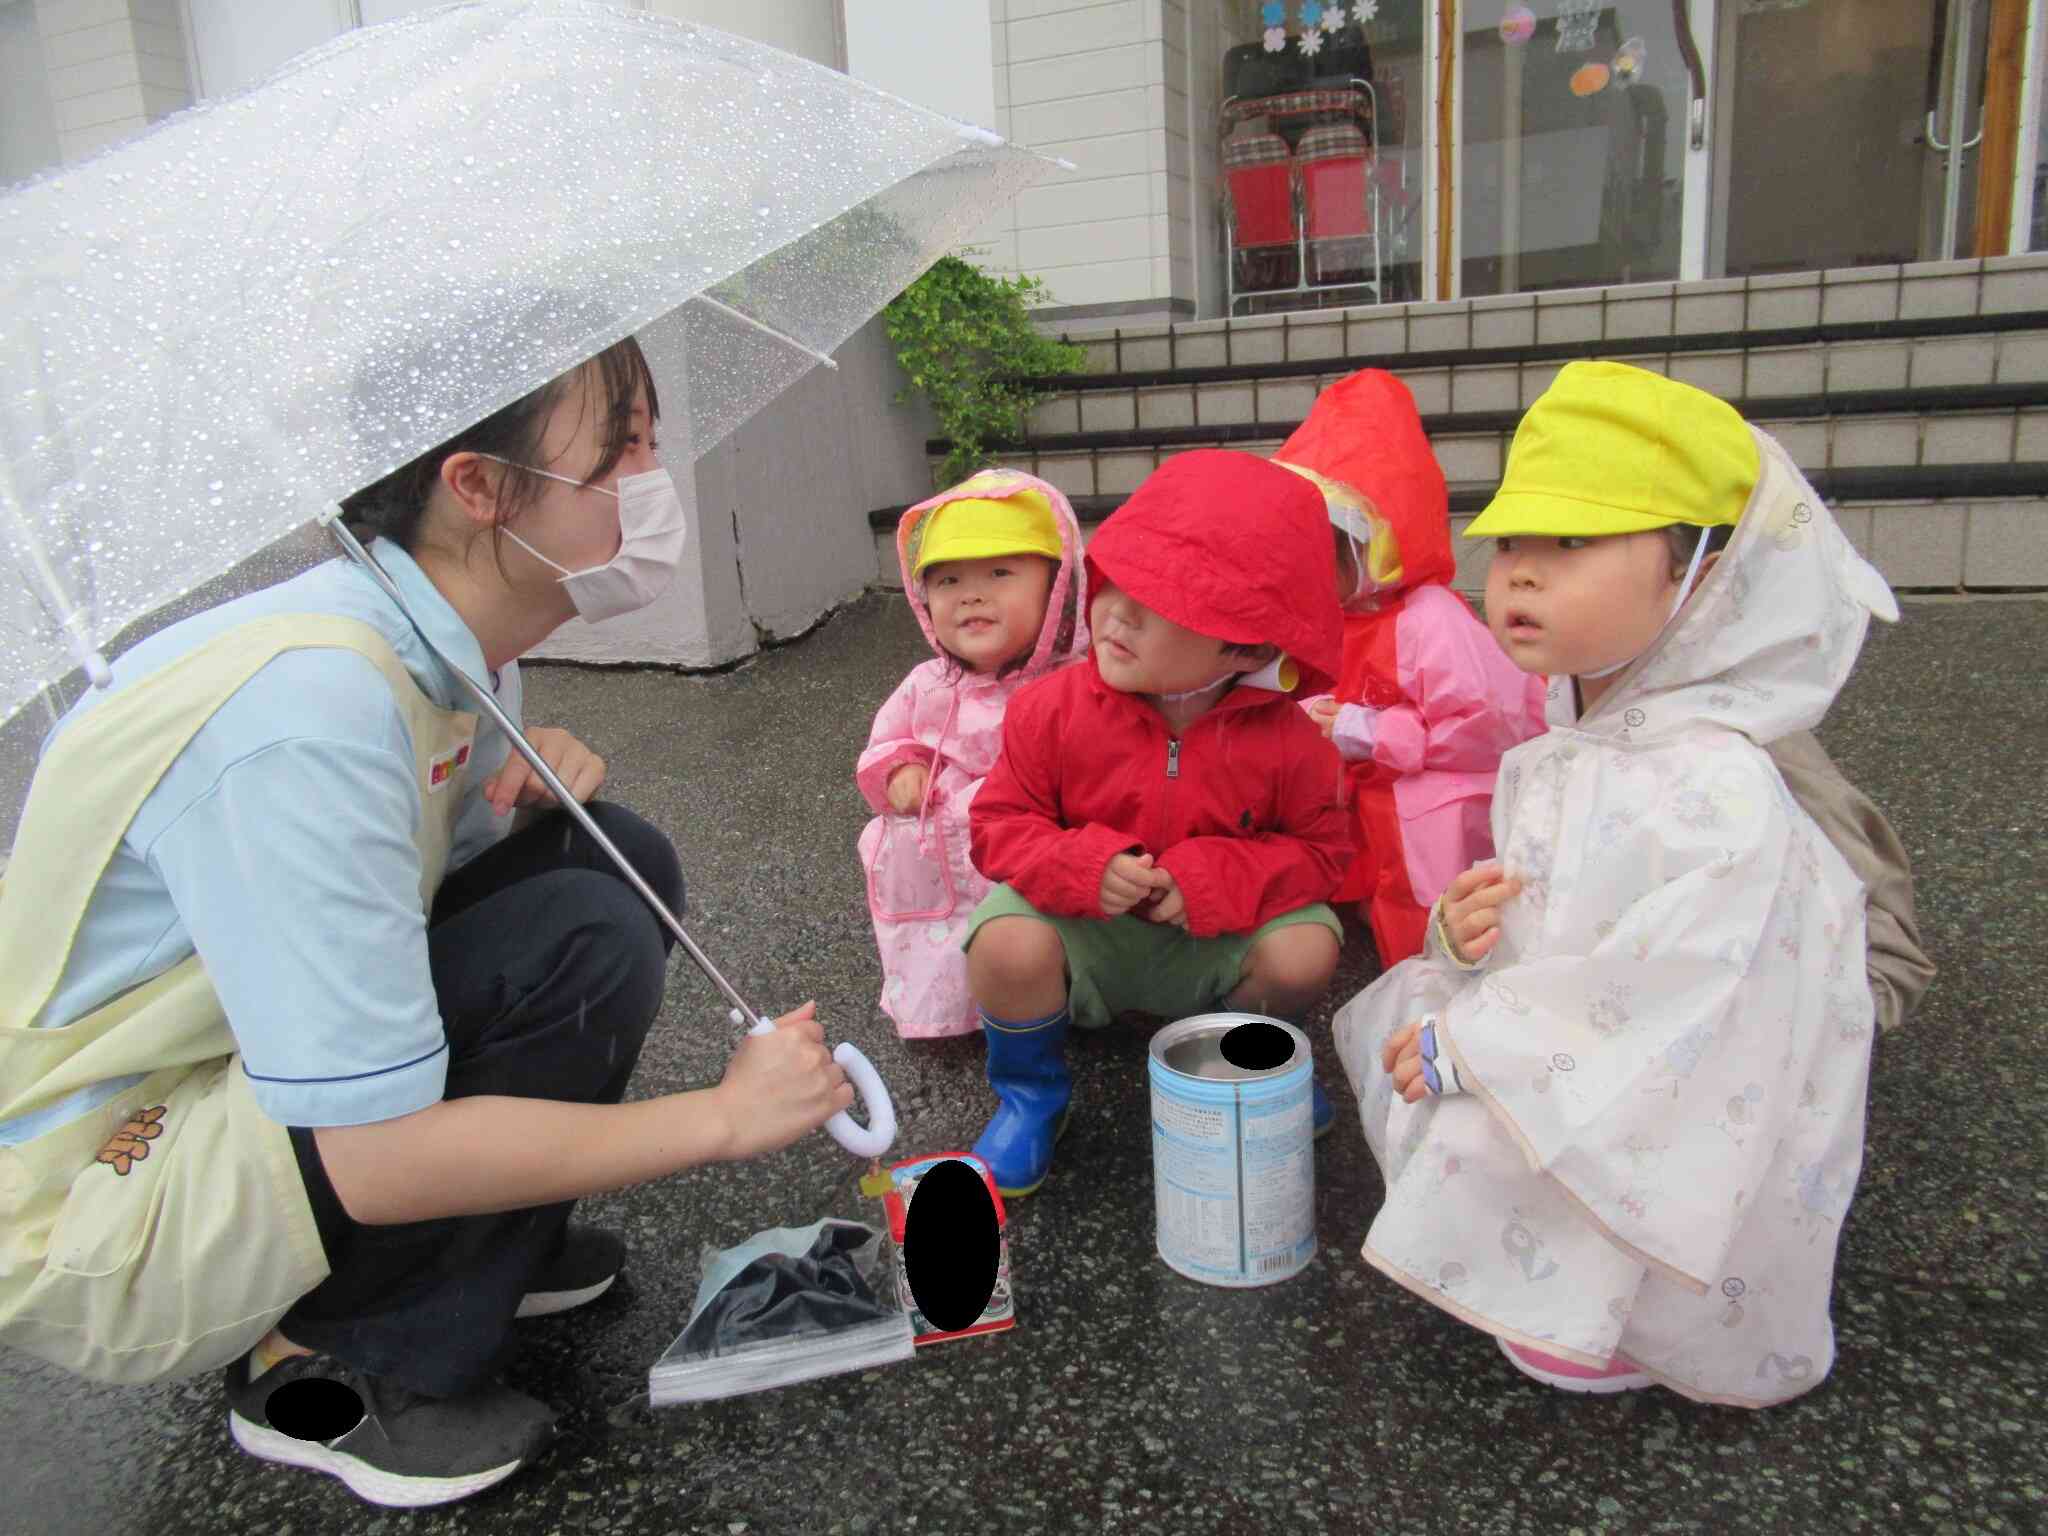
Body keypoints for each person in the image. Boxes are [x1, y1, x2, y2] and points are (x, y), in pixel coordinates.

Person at [0, 338, 854, 1507]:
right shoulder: (310, 708)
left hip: (233, 1077)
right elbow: (379, 1147)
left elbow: (419, 916)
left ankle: (481, 1247)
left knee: (610, 863)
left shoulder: (450, 654)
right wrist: (716, 1119)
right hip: (100, 1199)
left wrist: (516, 800)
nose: (652, 481)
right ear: (479, 489)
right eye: (622, 450)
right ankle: (339, 1362)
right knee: (573, 932)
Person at [1332, 362, 1900, 1407]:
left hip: (1667, 1069)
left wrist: (1479, 1042)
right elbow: (1557, 920)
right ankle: (1567, 1281)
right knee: (1432, 1045)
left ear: (1699, 574)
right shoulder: (1581, 740)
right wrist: (1466, 940)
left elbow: (1671, 988)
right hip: (1572, 1042)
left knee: (1498, 1096)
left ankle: (1623, 1317)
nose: (1520, 576)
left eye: (1572, 544)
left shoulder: (1714, 781)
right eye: (1510, 543)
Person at [964, 449, 1356, 1197]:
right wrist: (1081, 866)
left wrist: (1219, 877)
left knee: (1304, 949)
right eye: (1117, 580)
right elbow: (998, 824)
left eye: (1163, 601)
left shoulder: (1290, 742)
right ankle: (1031, 1095)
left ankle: (1250, 1056)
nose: (1117, 613)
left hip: (1214, 938)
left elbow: (1324, 853)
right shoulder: (1049, 709)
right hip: (1088, 929)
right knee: (1004, 941)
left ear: (1248, 643)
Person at [1273, 368, 1546, 969]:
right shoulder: (1330, 615)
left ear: (1373, 542)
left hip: (1429, 795)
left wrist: (1360, 729)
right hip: (1364, 793)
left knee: (1426, 827)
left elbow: (1484, 729)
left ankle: (1437, 960)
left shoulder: (1429, 619)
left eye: (1320, 547)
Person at [856, 470, 1088, 1039]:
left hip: (1030, 840)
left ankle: (1044, 1000)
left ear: (1057, 589)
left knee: (1031, 929)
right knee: (919, 892)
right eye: (949, 579)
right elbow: (888, 741)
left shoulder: (1079, 683)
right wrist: (902, 770)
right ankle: (945, 1009)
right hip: (939, 847)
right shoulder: (927, 683)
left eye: (1001, 572)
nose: (971, 594)